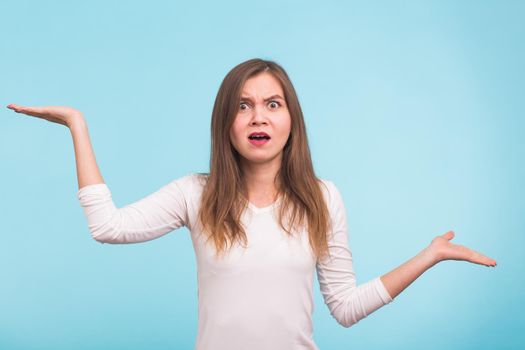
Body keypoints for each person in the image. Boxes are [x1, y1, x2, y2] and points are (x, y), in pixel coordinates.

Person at [7, 58, 497, 350]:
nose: (257, 116)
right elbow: (107, 227)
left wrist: (428, 255)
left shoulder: (323, 198)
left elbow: (345, 308)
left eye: (272, 103)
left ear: (291, 121)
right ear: (226, 123)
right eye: (243, 105)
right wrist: (77, 125)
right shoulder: (194, 194)